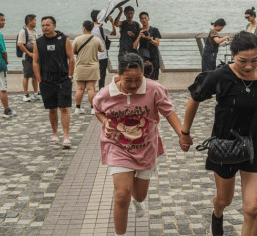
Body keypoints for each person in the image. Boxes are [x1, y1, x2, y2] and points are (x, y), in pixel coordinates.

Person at [180, 31, 257, 236]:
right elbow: (194, 98)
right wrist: (185, 132)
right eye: (242, 61)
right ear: (232, 54)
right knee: (224, 199)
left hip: (256, 145)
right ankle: (217, 213)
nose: (248, 66)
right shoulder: (220, 76)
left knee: (252, 208)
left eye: (254, 60)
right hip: (225, 145)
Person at [93, 53, 184, 236]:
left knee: (140, 195)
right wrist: (105, 122)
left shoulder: (154, 89)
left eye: (138, 79)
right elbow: (97, 110)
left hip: (145, 147)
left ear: (144, 74)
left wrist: (182, 134)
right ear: (118, 74)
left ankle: (137, 201)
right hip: (118, 146)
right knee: (121, 194)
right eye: (128, 80)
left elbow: (169, 112)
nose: (134, 85)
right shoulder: (105, 93)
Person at [33, 16, 75, 148]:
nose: (45, 27)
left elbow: (71, 58)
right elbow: (35, 61)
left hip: (63, 79)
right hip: (46, 80)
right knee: (52, 109)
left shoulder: (63, 39)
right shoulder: (38, 42)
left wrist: (70, 75)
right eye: (43, 25)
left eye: (48, 25)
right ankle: (55, 133)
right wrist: (39, 79)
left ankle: (66, 136)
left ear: (54, 26)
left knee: (64, 108)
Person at [73, 20, 104, 115]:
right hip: (93, 67)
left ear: (84, 28)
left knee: (80, 88)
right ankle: (93, 109)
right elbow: (102, 49)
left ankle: (78, 108)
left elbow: (73, 51)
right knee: (91, 88)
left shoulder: (77, 39)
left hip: (80, 66)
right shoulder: (96, 39)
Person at [91, 9, 117, 91]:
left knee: (92, 76)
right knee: (102, 76)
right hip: (102, 56)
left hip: (92, 55)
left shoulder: (89, 28)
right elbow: (113, 33)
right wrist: (112, 22)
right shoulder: (102, 29)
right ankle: (100, 91)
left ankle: (91, 91)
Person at [133, 12, 162, 80]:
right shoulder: (139, 31)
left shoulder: (154, 30)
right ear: (140, 20)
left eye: (145, 18)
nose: (144, 20)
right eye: (142, 19)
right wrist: (139, 37)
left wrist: (149, 38)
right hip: (144, 57)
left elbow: (157, 43)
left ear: (148, 19)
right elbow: (134, 46)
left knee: (154, 78)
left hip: (154, 56)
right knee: (143, 78)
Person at [17, 14, 39, 102]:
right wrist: (29, 53)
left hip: (35, 57)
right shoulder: (23, 31)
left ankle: (36, 93)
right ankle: (25, 94)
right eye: (34, 21)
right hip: (27, 57)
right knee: (26, 75)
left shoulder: (34, 31)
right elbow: (20, 44)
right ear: (30, 22)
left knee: (35, 76)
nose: (35, 22)